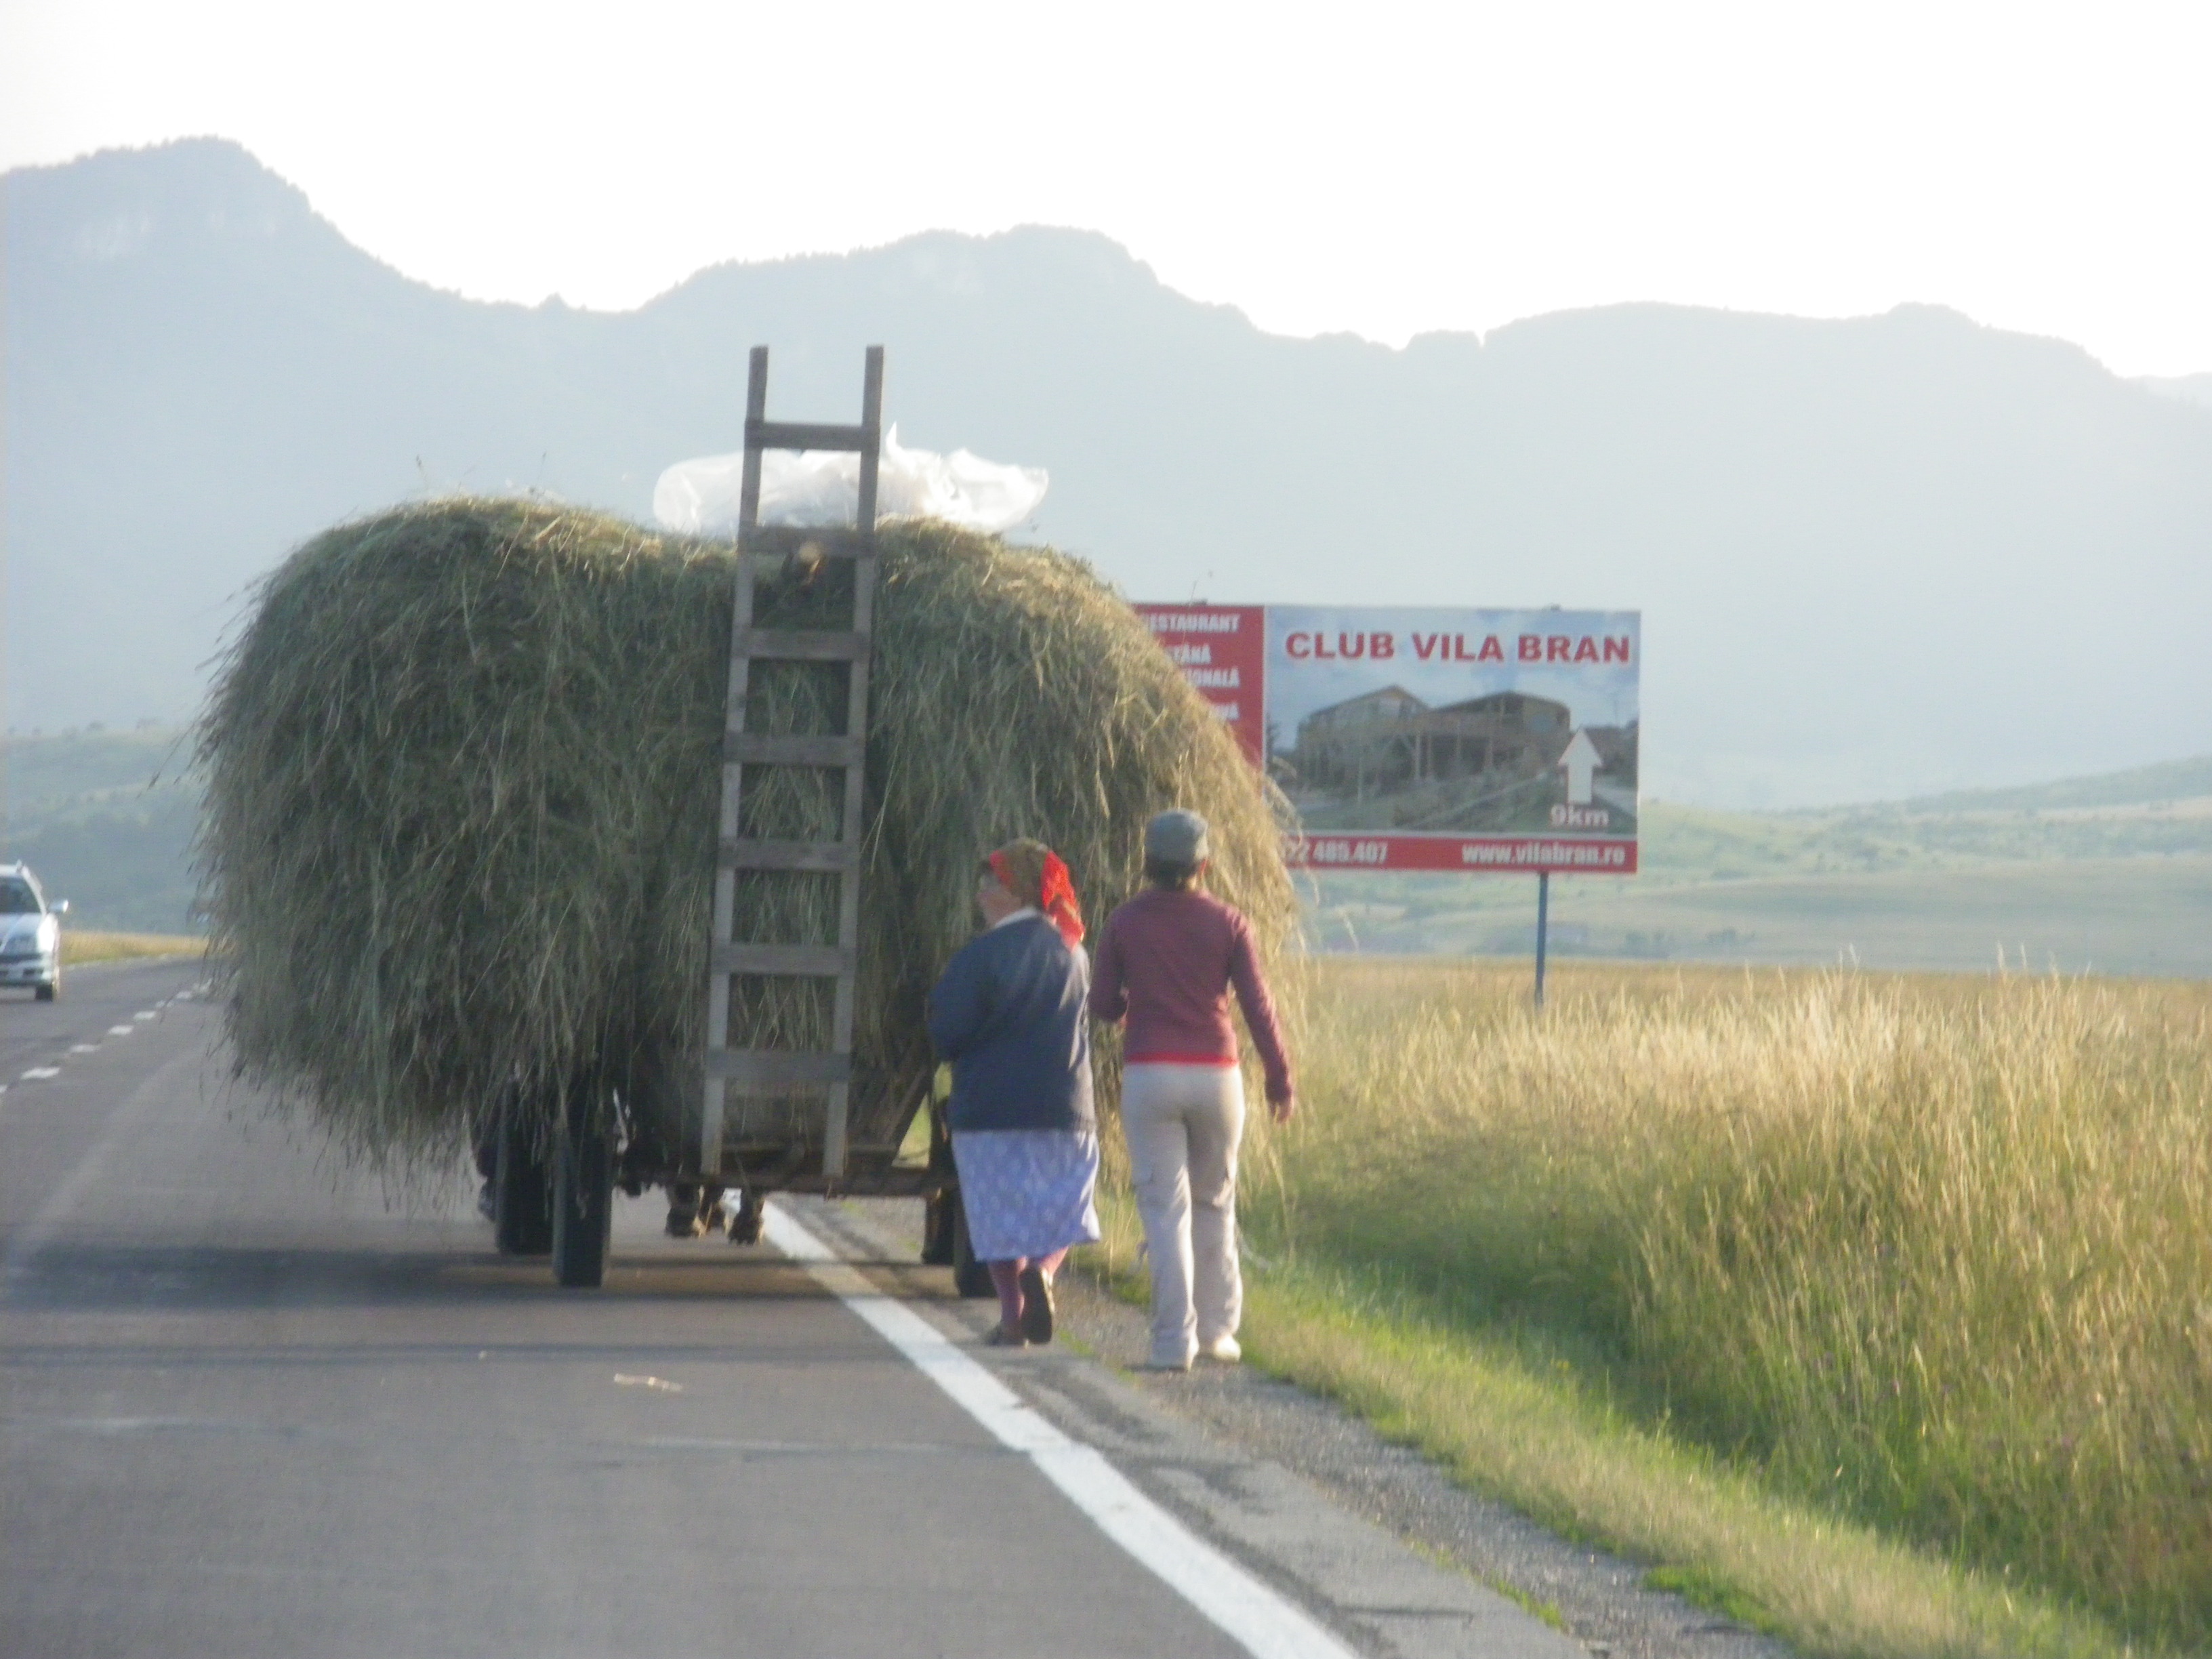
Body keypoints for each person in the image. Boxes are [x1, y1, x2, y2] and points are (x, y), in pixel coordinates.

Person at [1090, 809, 1293, 1371]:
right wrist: (1279, 1078)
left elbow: (1103, 1003)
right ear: (1204, 865)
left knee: (1164, 1210)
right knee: (1215, 1203)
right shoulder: (1229, 923)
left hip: (1151, 1072)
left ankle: (1171, 1341)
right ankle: (1217, 1332)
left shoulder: (1124, 922)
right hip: (1216, 1075)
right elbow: (1258, 1007)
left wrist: (1136, 1008)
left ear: (1147, 864)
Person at [927, 839, 1100, 1347]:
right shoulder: (1075, 954)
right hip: (1064, 1107)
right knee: (1066, 1205)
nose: (981, 894)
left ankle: (1012, 1318)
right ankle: (1043, 1271)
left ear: (1020, 892)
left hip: (990, 1109)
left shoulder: (979, 957)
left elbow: (947, 1034)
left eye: (992, 884)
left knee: (997, 1213)